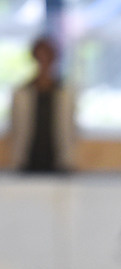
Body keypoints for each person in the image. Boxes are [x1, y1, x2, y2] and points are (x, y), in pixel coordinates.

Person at [9, 35, 77, 173]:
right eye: (40, 56)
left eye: (47, 56)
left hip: (59, 163)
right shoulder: (22, 94)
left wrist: (71, 158)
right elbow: (15, 129)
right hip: (28, 162)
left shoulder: (65, 94)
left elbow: (71, 130)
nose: (44, 61)